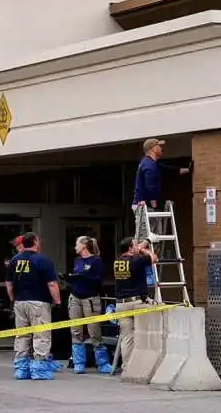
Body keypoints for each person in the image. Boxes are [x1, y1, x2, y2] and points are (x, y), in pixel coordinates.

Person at [6, 232, 62, 380]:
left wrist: (13, 300)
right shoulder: (43, 260)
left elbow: (9, 284)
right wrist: (58, 301)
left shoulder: (15, 260)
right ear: (36, 242)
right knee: (41, 334)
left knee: (22, 334)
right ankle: (39, 369)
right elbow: (52, 283)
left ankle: (22, 369)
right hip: (38, 302)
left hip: (20, 302)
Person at [65, 236, 112, 374]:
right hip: (75, 297)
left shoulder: (96, 260)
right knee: (76, 330)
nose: (75, 247)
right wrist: (70, 278)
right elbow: (76, 276)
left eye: (76, 244)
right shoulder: (77, 260)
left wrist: (83, 277)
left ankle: (102, 363)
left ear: (84, 245)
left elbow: (98, 280)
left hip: (90, 298)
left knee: (94, 331)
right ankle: (78, 362)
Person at [132, 138, 192, 237]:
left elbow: (166, 169)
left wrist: (183, 170)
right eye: (159, 146)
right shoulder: (149, 166)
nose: (162, 148)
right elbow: (150, 186)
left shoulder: (150, 163)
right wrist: (154, 203)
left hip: (144, 206)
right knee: (149, 239)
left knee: (151, 238)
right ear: (153, 149)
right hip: (146, 208)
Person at [113, 237, 158, 367]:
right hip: (136, 303)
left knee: (127, 338)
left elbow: (135, 251)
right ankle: (141, 366)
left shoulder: (117, 261)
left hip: (121, 304)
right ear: (131, 248)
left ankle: (127, 367)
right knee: (143, 336)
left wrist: (146, 241)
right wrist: (145, 249)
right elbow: (154, 258)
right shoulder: (136, 260)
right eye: (135, 245)